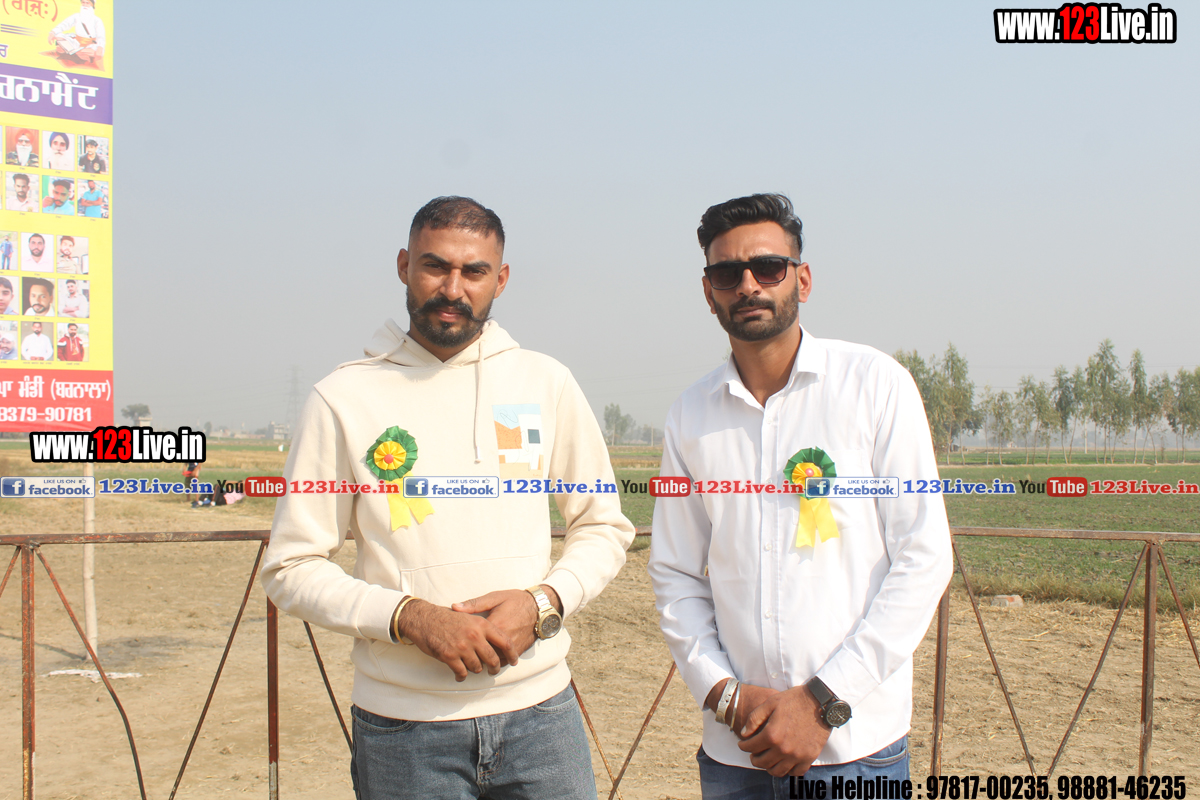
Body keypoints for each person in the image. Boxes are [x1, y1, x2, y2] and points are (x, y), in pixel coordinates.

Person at [261, 196, 634, 800]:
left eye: (474, 271)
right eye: (435, 266)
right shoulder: (342, 397)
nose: (452, 289)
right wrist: (410, 617)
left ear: (501, 280)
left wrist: (543, 602)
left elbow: (603, 525)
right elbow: (290, 567)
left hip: (542, 715)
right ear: (404, 266)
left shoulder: (545, 382)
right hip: (404, 728)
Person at [648, 193, 952, 792]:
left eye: (768, 268)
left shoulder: (876, 386)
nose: (748, 285)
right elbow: (675, 572)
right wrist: (725, 694)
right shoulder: (690, 416)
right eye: (727, 273)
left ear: (802, 279)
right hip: (738, 750)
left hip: (855, 748)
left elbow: (923, 557)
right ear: (708, 291)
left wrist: (822, 702)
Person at [48, 0, 106, 66]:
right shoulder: (76, 16)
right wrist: (52, 32)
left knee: (88, 52)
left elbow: (101, 36)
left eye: (87, 3)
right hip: (76, 43)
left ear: (92, 5)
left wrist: (100, 48)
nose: (85, 5)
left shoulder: (97, 20)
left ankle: (72, 52)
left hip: (90, 45)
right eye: (83, 2)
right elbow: (65, 24)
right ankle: (75, 53)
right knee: (59, 36)